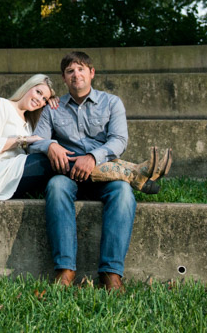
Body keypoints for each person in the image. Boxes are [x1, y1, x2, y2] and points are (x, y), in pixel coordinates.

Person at [27, 51, 168, 292]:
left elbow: (119, 140)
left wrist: (93, 157)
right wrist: (50, 145)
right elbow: (34, 141)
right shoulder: (54, 108)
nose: (76, 74)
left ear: (92, 73)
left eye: (81, 69)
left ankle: (111, 274)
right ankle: (65, 270)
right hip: (68, 175)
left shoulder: (112, 102)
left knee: (123, 193)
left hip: (105, 174)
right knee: (56, 186)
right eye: (70, 71)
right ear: (64, 77)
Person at [0, 73, 170, 202]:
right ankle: (131, 173)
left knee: (55, 152)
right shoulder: (1, 104)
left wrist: (54, 106)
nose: (39, 99)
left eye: (44, 98)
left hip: (18, 174)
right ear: (28, 87)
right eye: (37, 92)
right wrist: (24, 140)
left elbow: (37, 142)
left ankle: (132, 171)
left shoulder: (29, 122)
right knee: (52, 155)